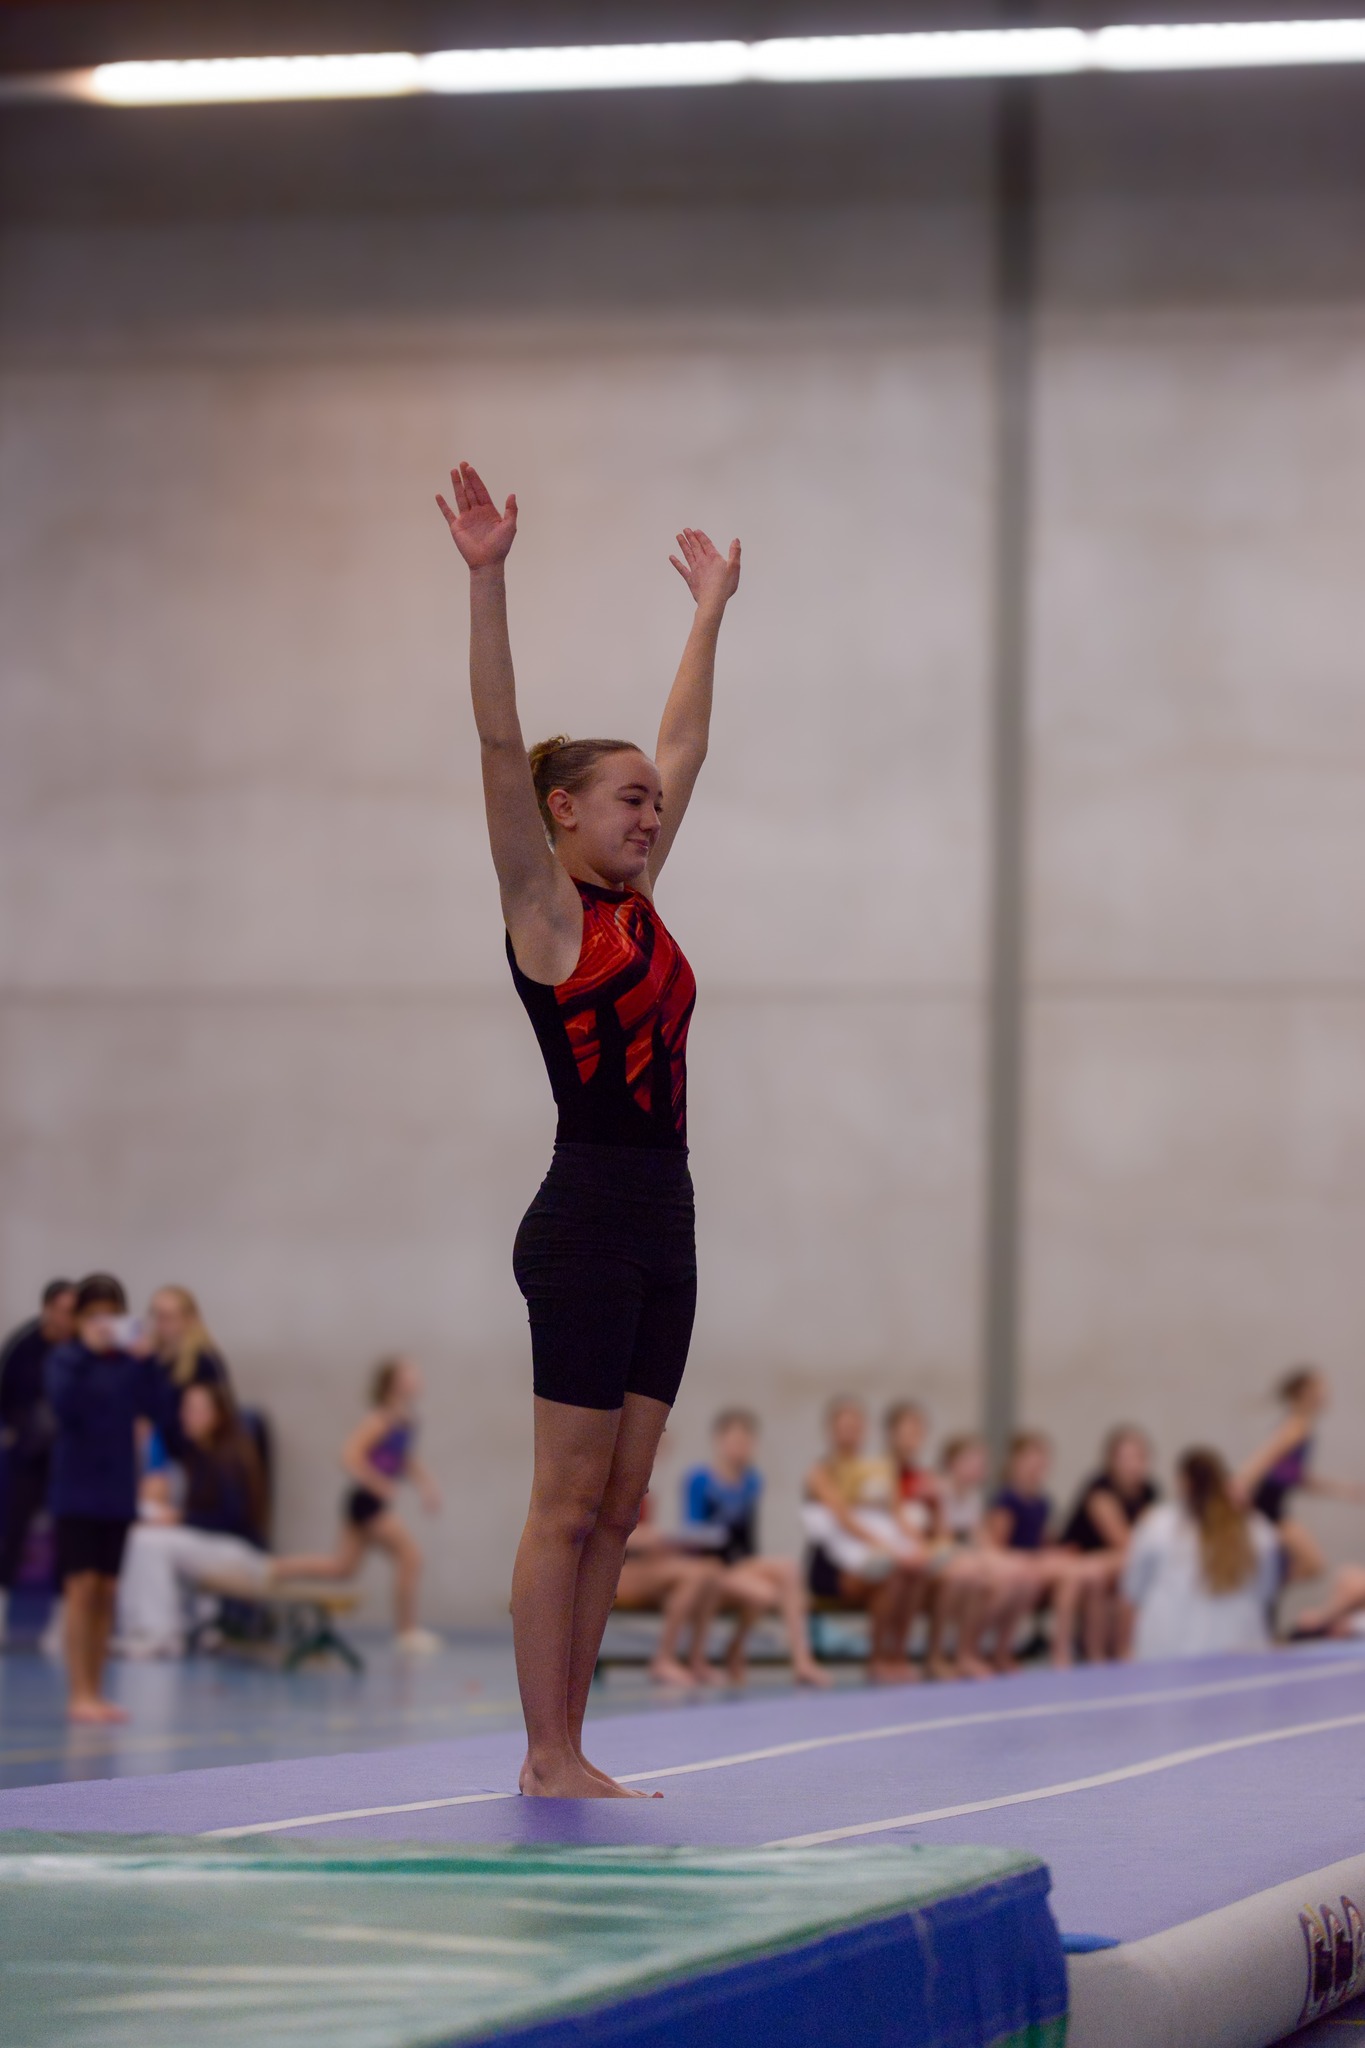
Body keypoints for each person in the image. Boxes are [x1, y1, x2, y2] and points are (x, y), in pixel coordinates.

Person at [437, 458, 741, 1797]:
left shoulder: (639, 904)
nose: (651, 814)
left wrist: (708, 613)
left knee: (620, 1506)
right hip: (586, 1218)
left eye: (653, 808)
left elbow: (685, 746)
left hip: (667, 1214)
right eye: (629, 802)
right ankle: (544, 1750)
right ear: (562, 812)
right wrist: (488, 580)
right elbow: (497, 742)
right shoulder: (550, 915)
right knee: (565, 1501)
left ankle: (572, 1746)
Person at [45, 1273, 176, 1721]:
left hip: (117, 1488)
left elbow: (160, 1410)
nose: (103, 1323)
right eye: (94, 1315)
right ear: (80, 1319)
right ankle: (78, 1691)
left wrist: (148, 1360)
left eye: (111, 1315)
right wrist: (88, 1351)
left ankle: (97, 1690)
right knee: (80, 1588)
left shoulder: (129, 1364)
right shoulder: (66, 1359)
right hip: (75, 1488)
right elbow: (64, 1406)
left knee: (107, 1589)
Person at [273, 1358, 442, 1652]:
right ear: (393, 1383)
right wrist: (378, 1482)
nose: (417, 1379)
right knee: (411, 1556)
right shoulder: (380, 1419)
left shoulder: (406, 1419)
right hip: (366, 1502)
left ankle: (273, 1569)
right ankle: (406, 1631)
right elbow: (349, 1455)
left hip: (369, 1503)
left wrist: (426, 1486)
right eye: (409, 1375)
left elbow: (404, 1459)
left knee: (341, 1568)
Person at [116, 1381, 272, 1657]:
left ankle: (160, 1633)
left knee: (149, 1542)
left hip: (241, 1553)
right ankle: (141, 1627)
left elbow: (232, 1519)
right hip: (212, 1545)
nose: (189, 1416)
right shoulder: (197, 1454)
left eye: (198, 1410)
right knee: (141, 1532)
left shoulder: (231, 1456)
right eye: (186, 1409)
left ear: (219, 1415)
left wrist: (180, 1518)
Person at [682, 1408, 829, 1687]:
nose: (741, 1448)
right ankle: (729, 1649)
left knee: (789, 1569)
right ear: (719, 1441)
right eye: (734, 1441)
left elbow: (749, 1539)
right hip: (707, 1567)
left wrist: (754, 1568)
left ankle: (802, 1661)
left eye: (746, 1442)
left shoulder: (752, 1481)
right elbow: (692, 1533)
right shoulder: (699, 1479)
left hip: (737, 1565)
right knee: (764, 1594)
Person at [802, 1396, 925, 1683]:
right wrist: (885, 1546)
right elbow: (843, 1517)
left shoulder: (880, 1469)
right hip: (834, 1563)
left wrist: (918, 1544)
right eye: (844, 1427)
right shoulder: (820, 1472)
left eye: (856, 1427)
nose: (850, 1433)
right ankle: (877, 1658)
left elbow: (897, 1513)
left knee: (914, 1570)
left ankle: (898, 1654)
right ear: (831, 1430)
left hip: (876, 1551)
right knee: (890, 1574)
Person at [1123, 1447, 1280, 1660]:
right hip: (1230, 1651)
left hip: (1172, 1652)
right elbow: (1267, 1590)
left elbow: (1133, 1589)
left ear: (1183, 1482)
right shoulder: (1257, 1529)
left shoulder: (1156, 1525)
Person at [1234, 1367, 1365, 1585]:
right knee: (1313, 1563)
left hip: (1273, 1504)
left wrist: (1344, 1490)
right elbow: (1261, 1460)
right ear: (1305, 1393)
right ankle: (1257, 1588)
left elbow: (1296, 1477)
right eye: (1320, 1388)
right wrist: (1238, 1486)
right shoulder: (1295, 1426)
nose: (1325, 1394)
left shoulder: (1301, 1426)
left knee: (1303, 1564)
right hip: (1266, 1505)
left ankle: (1259, 1587)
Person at [985, 1432, 1104, 1669]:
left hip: (1034, 1563)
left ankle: (1073, 1646)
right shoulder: (1007, 1499)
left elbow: (1039, 1540)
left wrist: (1057, 1549)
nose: (1036, 1467)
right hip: (1014, 1564)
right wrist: (1041, 1557)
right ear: (1014, 1462)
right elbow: (997, 1546)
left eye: (1041, 1462)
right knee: (1071, 1573)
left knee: (1079, 1572)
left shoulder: (1042, 1501)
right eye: (1030, 1460)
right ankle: (1058, 1650)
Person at [0, 1277, 75, 1643]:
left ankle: (62, 1622)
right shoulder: (23, 1346)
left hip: (68, 1458)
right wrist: (16, 1431)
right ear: (47, 1309)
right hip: (28, 1455)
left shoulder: (81, 1350)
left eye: (73, 1311)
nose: (66, 1318)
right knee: (12, 1530)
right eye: (61, 1310)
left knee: (68, 1534)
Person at [1059, 1426, 1160, 1661]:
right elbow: (1123, 1540)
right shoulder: (1100, 1489)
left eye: (1139, 1457)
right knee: (1101, 1574)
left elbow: (1150, 1541)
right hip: (1080, 1558)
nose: (1133, 1465)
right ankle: (1075, 1650)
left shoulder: (1149, 1490)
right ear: (1112, 1461)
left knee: (1129, 1571)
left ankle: (1117, 1647)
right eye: (1126, 1458)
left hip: (1114, 1562)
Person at [614, 1485, 727, 1689]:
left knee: (712, 1569)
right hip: (611, 1572)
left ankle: (696, 1658)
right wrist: (640, 1538)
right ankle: (664, 1658)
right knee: (694, 1575)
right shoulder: (610, 1486)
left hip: (636, 1563)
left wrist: (661, 1545)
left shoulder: (642, 1489)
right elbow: (603, 1533)